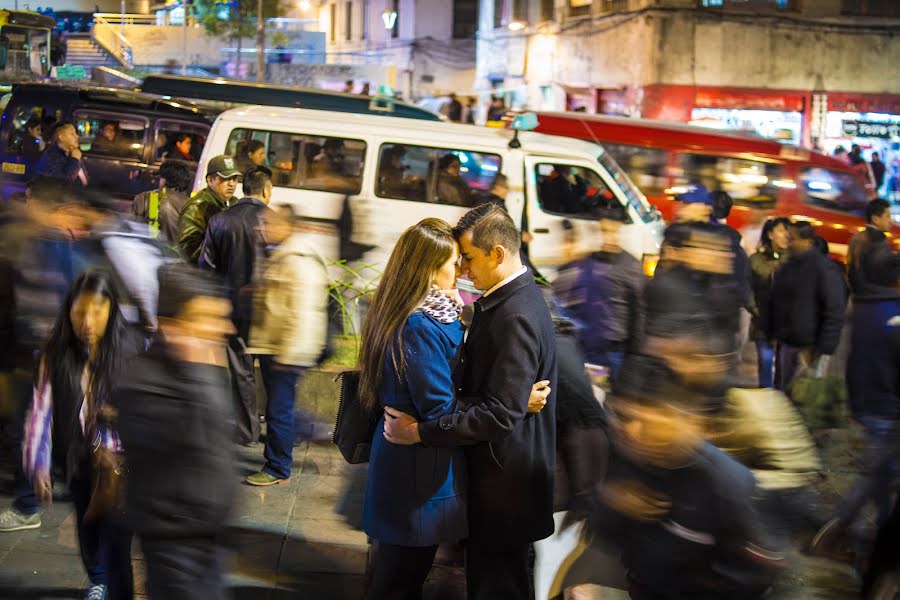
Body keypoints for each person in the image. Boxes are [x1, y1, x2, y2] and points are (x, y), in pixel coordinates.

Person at [383, 203, 558, 599]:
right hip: (504, 486)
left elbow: (498, 414)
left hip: (505, 490)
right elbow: (503, 402)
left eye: (469, 258)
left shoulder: (514, 315)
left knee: (496, 587)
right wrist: (515, 401)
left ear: (497, 253)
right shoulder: (513, 300)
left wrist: (421, 432)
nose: (463, 269)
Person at [116, 264, 237, 600]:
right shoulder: (143, 382)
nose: (224, 328)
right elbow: (191, 440)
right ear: (173, 326)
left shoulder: (199, 365)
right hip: (174, 541)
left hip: (208, 534)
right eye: (210, 318)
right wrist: (195, 373)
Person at [23, 270, 136, 600]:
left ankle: (116, 582)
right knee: (87, 521)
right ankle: (98, 579)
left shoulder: (130, 349)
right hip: (77, 456)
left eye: (97, 311)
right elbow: (41, 410)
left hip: (119, 460)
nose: (87, 321)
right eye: (79, 311)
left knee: (117, 532)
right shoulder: (55, 352)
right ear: (68, 310)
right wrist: (38, 463)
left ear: (111, 310)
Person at [245, 208, 329, 485]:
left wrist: (290, 353)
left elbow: (303, 313)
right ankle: (305, 430)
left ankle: (277, 467)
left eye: (269, 223)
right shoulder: (282, 255)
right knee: (282, 407)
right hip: (276, 347)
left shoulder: (297, 260)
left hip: (285, 351)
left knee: (279, 410)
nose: (263, 228)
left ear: (287, 226)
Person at [200, 165, 275, 448]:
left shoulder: (220, 221)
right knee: (272, 374)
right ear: (266, 191)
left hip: (232, 310)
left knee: (242, 372)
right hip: (268, 312)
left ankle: (247, 432)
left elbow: (206, 268)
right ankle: (277, 431)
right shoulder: (275, 221)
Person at [552, 204, 644, 378]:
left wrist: (635, 355)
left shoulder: (631, 266)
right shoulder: (588, 261)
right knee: (596, 396)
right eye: (604, 231)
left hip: (616, 350)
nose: (608, 238)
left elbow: (639, 312)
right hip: (591, 349)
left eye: (613, 232)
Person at [767, 221, 847, 391]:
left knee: (806, 395)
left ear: (807, 241)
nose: (788, 242)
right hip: (787, 342)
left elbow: (834, 309)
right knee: (785, 391)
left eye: (793, 239)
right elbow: (776, 300)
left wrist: (825, 347)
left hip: (811, 348)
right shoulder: (788, 266)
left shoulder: (823, 268)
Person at [750, 217, 791, 388]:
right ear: (770, 234)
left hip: (787, 323)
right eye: (781, 230)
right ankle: (766, 400)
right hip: (763, 322)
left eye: (788, 231)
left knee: (784, 368)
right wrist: (755, 309)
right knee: (766, 363)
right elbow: (748, 288)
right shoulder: (757, 259)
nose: (786, 235)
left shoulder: (794, 260)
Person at [177, 155, 241, 264]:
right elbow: (187, 249)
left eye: (234, 179)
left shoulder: (235, 202)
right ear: (210, 179)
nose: (231, 184)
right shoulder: (197, 207)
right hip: (202, 276)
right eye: (225, 178)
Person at [132, 160, 193, 243]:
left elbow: (131, 228)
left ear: (164, 180)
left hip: (147, 251)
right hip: (176, 254)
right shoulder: (190, 205)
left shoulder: (144, 198)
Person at [848, 198, 894, 298]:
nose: (891, 221)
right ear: (875, 219)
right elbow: (881, 269)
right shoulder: (879, 241)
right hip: (875, 298)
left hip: (858, 296)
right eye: (887, 216)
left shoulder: (857, 237)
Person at [36, 121, 88, 187]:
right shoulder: (52, 155)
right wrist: (74, 159)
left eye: (75, 133)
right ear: (61, 137)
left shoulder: (71, 153)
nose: (77, 136)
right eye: (72, 134)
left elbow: (83, 180)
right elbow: (62, 182)